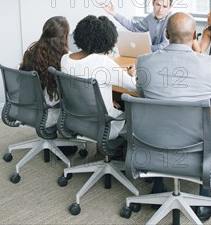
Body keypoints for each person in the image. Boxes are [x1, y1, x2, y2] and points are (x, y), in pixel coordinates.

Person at [136, 12, 211, 221]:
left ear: (166, 34)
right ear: (195, 35)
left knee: (160, 118)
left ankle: (158, 186)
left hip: (152, 142)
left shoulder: (143, 62)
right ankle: (204, 201)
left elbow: (143, 97)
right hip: (195, 146)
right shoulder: (210, 65)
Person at [60, 15, 137, 140]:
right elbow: (135, 87)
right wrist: (132, 75)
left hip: (75, 120)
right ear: (107, 39)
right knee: (129, 106)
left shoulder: (65, 59)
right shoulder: (103, 62)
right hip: (104, 126)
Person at [19, 16, 77, 155]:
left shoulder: (31, 51)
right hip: (50, 112)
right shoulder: (66, 58)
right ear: (64, 36)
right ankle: (67, 141)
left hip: (28, 109)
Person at [101, 0, 173, 52]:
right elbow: (134, 26)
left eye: (164, 6)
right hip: (152, 55)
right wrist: (114, 13)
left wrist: (143, 48)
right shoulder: (151, 17)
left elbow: (164, 47)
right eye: (158, 5)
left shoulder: (172, 21)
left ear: (170, 7)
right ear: (153, 3)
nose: (160, 10)